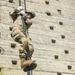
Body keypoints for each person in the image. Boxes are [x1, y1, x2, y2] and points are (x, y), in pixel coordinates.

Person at [10, 6, 37, 71]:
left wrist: (25, 17)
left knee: (31, 48)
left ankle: (27, 61)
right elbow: (11, 14)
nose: (29, 16)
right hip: (17, 30)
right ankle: (23, 62)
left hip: (24, 33)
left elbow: (29, 23)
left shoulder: (28, 22)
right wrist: (17, 10)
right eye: (28, 14)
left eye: (31, 16)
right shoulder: (17, 16)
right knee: (24, 41)